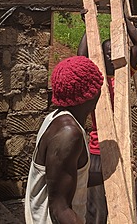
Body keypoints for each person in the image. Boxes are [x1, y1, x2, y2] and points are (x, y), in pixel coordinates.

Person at [77, 15, 137, 224]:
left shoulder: (124, 76)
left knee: (129, 201)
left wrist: (124, 20)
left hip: (122, 149)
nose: (110, 57)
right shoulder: (95, 79)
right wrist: (90, 26)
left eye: (113, 52)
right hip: (98, 150)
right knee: (96, 207)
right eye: (106, 53)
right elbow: (81, 55)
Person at [25, 56, 104, 224]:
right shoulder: (69, 134)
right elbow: (59, 209)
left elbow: (73, 178)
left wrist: (110, 174)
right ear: (91, 94)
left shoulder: (56, 119)